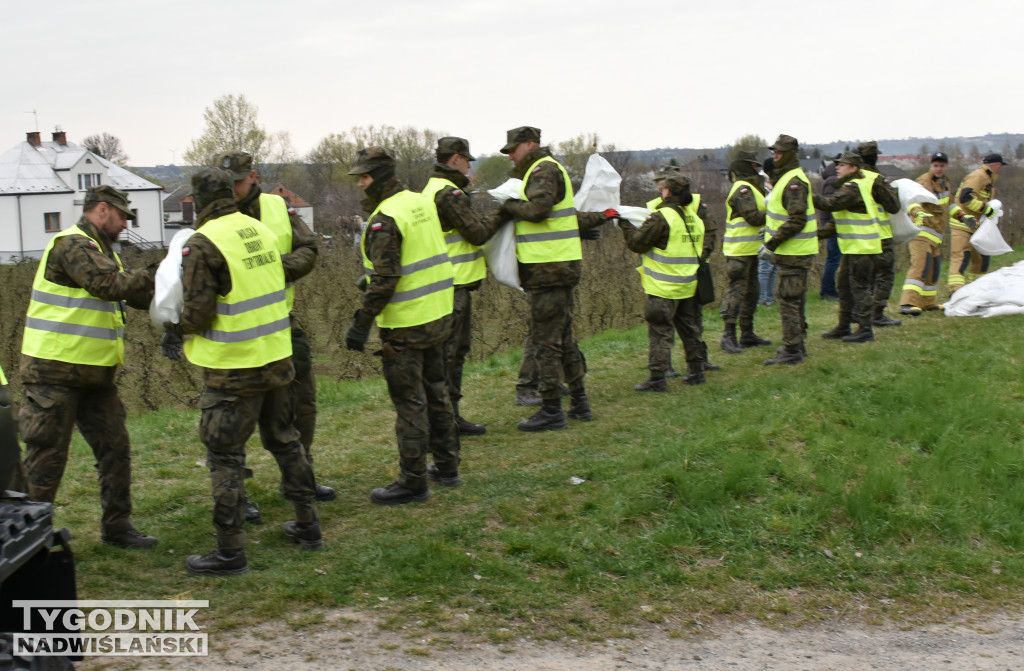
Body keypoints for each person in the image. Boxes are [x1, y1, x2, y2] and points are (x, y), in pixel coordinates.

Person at [167, 167, 322, 575]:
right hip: (277, 357)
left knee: (225, 457)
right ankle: (308, 524)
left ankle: (230, 550)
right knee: (286, 440)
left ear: (199, 200)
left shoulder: (203, 244)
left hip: (233, 370)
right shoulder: (260, 232)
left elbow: (198, 314)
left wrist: (172, 327)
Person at [19, 185, 158, 549]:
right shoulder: (72, 244)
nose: (126, 224)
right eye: (122, 216)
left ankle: (118, 528)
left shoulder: (103, 251)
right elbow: (105, 285)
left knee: (115, 449)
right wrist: (154, 273)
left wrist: (174, 290)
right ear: (102, 209)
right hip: (54, 373)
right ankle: (28, 542)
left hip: (96, 374)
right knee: (46, 459)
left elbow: (132, 293)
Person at [211, 151, 334, 523]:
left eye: (238, 181)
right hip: (233, 332)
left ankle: (299, 478)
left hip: (281, 321)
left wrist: (277, 271)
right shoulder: (211, 215)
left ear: (253, 176)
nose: (233, 189)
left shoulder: (278, 207)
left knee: (302, 403)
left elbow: (309, 246)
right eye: (226, 182)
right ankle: (238, 493)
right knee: (232, 418)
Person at [344, 147, 462, 504]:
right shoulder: (419, 202)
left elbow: (386, 279)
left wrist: (362, 322)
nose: (361, 184)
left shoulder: (386, 218)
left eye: (365, 177)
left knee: (410, 404)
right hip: (438, 315)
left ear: (379, 178)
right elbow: (415, 258)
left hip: (406, 326)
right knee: (438, 393)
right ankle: (447, 467)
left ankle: (413, 482)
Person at [493, 126, 615, 431]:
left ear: (530, 144)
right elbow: (564, 217)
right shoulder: (544, 169)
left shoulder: (542, 170)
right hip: (556, 267)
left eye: (513, 149)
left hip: (547, 270)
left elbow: (538, 210)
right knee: (565, 338)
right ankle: (580, 403)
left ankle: (551, 410)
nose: (510, 156)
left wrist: (508, 204)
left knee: (546, 342)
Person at [421, 137, 490, 436]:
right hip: (454, 282)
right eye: (467, 160)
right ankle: (444, 420)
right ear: (456, 159)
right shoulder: (449, 193)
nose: (469, 166)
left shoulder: (433, 188)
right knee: (449, 355)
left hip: (448, 281)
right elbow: (477, 233)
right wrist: (504, 212)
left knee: (454, 353)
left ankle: (450, 417)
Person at [620, 173, 713, 390]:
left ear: (667, 192)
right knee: (690, 329)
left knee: (660, 331)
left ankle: (657, 378)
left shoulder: (662, 217)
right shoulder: (693, 218)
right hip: (688, 284)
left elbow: (637, 243)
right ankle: (696, 371)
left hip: (664, 287)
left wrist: (624, 223)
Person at [812, 152, 884, 343]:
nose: (837, 167)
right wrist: (814, 235)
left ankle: (865, 329)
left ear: (854, 168)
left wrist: (805, 194)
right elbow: (837, 223)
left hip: (863, 248)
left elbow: (829, 203)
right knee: (844, 285)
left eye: (843, 165)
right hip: (853, 248)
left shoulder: (853, 187)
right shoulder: (848, 186)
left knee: (860, 288)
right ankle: (843, 326)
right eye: (838, 164)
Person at [761, 135, 818, 366]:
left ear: (790, 154)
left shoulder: (793, 181)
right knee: (795, 299)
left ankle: (792, 349)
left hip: (794, 252)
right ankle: (798, 344)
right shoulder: (788, 178)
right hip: (794, 251)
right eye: (774, 152)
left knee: (788, 300)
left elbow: (797, 219)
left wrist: (771, 243)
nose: (775, 156)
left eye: (780, 152)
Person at [720, 150, 771, 353]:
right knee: (737, 291)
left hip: (751, 250)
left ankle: (747, 333)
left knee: (752, 292)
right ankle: (728, 336)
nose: (758, 169)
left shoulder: (754, 189)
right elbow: (753, 217)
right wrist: (776, 213)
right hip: (738, 251)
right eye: (754, 166)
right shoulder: (743, 189)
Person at [856, 141, 903, 327]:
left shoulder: (852, 179)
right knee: (884, 275)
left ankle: (861, 313)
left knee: (862, 278)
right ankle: (877, 314)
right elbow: (894, 206)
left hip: (858, 237)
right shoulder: (876, 179)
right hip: (880, 235)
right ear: (875, 157)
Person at [947, 153, 1006, 294]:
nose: (1001, 169)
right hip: (962, 224)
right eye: (1001, 166)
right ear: (996, 165)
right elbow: (965, 198)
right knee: (961, 257)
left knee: (981, 259)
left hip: (977, 226)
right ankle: (955, 292)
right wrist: (985, 209)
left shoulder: (989, 181)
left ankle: (978, 291)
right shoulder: (978, 176)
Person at [899, 152, 951, 315]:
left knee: (933, 269)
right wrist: (918, 212)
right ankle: (907, 303)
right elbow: (911, 200)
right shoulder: (924, 181)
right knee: (920, 266)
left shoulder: (945, 183)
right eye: (935, 165)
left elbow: (949, 204)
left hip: (936, 234)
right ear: (931, 166)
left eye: (941, 166)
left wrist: (963, 216)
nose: (938, 169)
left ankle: (927, 303)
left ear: (946, 166)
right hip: (921, 232)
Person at [818, 156, 842, 301]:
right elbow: (830, 204)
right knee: (834, 258)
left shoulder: (830, 179)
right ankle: (827, 290)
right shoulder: (833, 181)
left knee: (834, 257)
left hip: (830, 223)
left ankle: (830, 289)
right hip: (832, 224)